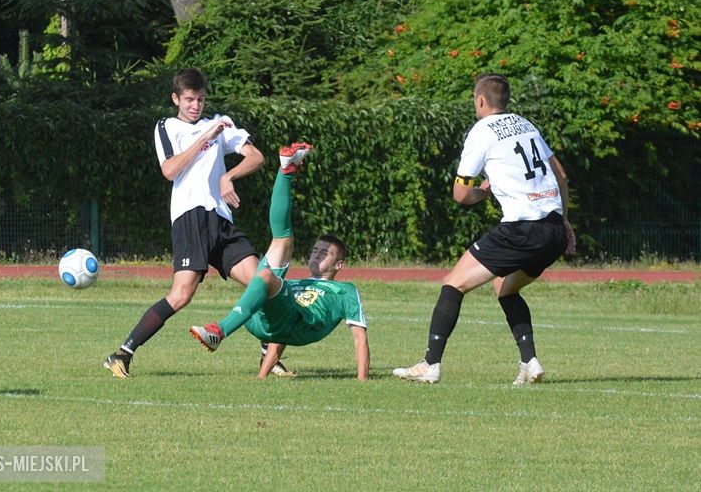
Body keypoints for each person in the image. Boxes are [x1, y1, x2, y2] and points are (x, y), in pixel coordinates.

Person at [104, 68, 294, 378]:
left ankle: (267, 357)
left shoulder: (219, 123)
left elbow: (256, 157)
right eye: (190, 100)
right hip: (190, 217)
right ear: (176, 98)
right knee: (181, 295)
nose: (196, 106)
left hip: (221, 220)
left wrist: (228, 175)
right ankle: (122, 353)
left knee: (263, 281)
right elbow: (169, 170)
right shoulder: (168, 127)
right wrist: (205, 138)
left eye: (201, 100)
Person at [393, 73, 575, 385]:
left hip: (522, 228)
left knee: (453, 284)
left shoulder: (482, 131)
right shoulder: (526, 124)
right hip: (553, 229)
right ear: (506, 100)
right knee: (505, 288)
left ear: (480, 100)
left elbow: (461, 195)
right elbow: (560, 175)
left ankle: (430, 365)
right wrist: (566, 220)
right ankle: (529, 362)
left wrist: (484, 192)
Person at [188, 143, 370, 381]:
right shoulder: (297, 283)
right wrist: (261, 378)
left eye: (325, 253)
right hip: (260, 320)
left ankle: (220, 331)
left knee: (268, 268)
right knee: (281, 242)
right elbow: (278, 333)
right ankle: (286, 170)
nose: (316, 255)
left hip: (301, 324)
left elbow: (359, 337)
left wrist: (362, 380)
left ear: (339, 264)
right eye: (315, 250)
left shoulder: (345, 291)